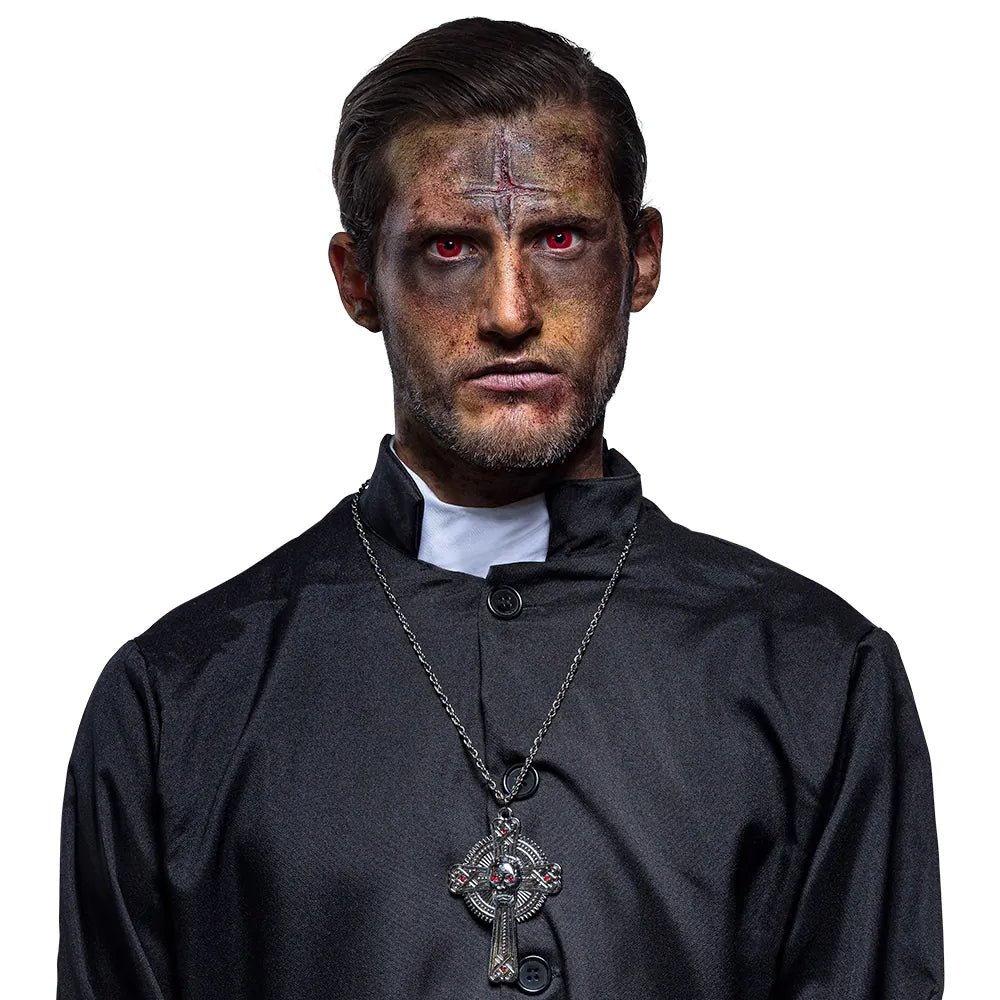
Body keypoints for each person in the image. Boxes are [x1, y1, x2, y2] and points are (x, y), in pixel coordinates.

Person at [57, 16, 944, 999]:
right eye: (450, 248)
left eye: (559, 239)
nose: (511, 311)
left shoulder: (817, 678)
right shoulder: (176, 703)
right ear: (357, 281)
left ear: (642, 259)